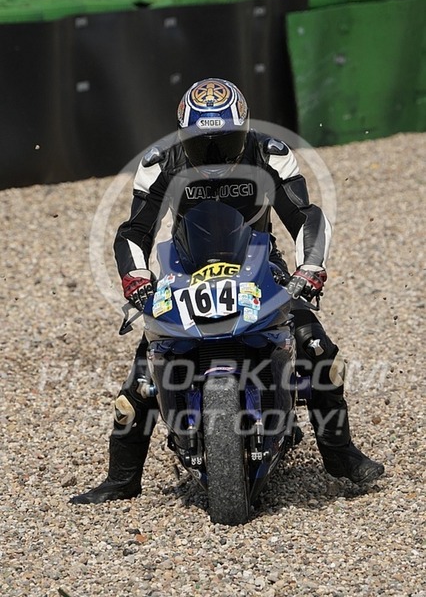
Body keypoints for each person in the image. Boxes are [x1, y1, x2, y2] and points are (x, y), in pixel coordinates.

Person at [70, 78, 384, 505]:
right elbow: (134, 232)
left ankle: (340, 453)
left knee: (318, 350)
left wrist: (310, 267)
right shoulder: (160, 162)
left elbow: (305, 216)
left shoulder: (270, 152)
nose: (215, 153)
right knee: (144, 374)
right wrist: (137, 278)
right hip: (185, 268)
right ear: (182, 137)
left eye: (226, 141)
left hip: (260, 262)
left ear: (246, 130)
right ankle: (122, 477)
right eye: (202, 145)